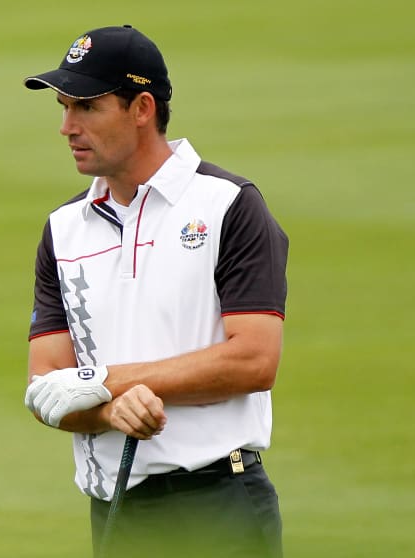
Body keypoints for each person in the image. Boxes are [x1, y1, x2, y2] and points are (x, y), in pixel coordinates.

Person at [21, 26, 289, 557]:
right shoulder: (62, 229)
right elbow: (46, 383)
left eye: (86, 108)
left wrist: (108, 382)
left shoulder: (229, 206)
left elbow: (255, 360)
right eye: (63, 107)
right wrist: (107, 410)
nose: (66, 127)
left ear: (142, 107)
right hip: (117, 513)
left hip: (218, 506)